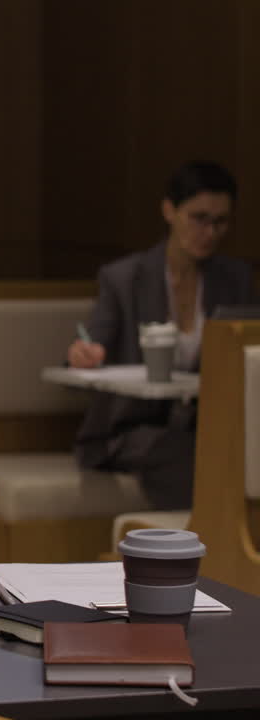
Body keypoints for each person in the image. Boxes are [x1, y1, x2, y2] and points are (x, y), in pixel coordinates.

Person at [68, 161, 253, 510]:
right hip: (128, 428)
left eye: (220, 222)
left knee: (221, 448)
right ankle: (206, 547)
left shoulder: (235, 278)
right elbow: (95, 343)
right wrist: (84, 354)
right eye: (199, 218)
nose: (210, 232)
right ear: (169, 210)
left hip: (205, 424)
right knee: (193, 455)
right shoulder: (124, 278)